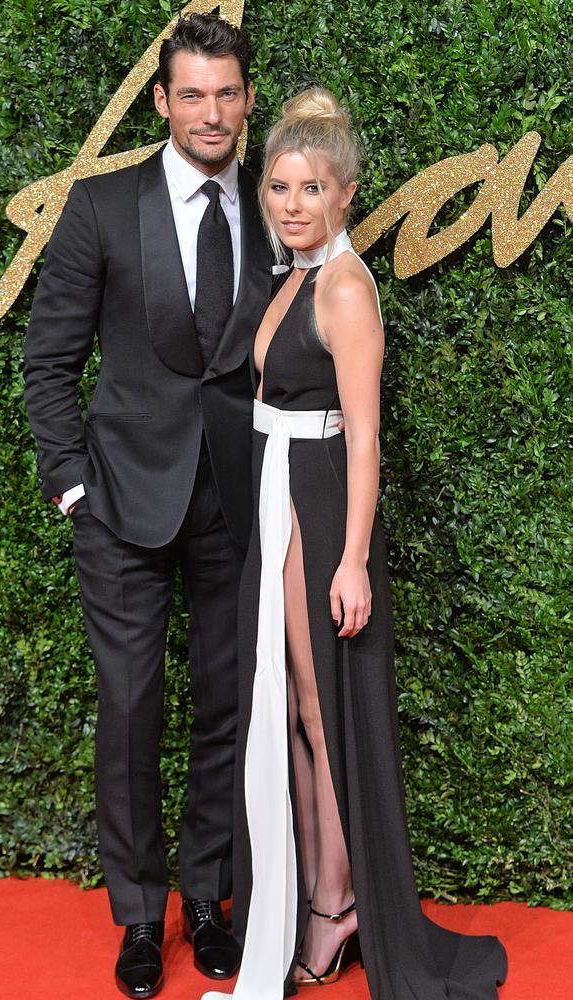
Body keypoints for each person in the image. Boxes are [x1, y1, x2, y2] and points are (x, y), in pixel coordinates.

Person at [203, 89, 508, 1000]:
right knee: (294, 711)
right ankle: (312, 893)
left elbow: (366, 436)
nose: (292, 205)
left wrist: (349, 560)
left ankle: (337, 907)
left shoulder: (341, 286)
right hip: (277, 504)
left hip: (321, 513)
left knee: (322, 713)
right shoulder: (291, 274)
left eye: (312, 189)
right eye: (280, 188)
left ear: (346, 196)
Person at [23, 14, 274, 999]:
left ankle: (208, 899)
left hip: (238, 503)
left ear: (245, 101)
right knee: (128, 712)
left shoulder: (275, 205)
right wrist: (71, 482)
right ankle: (137, 915)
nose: (210, 112)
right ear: (161, 101)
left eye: (226, 93)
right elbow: (48, 359)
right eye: (192, 94)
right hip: (120, 503)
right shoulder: (98, 206)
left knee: (226, 709)